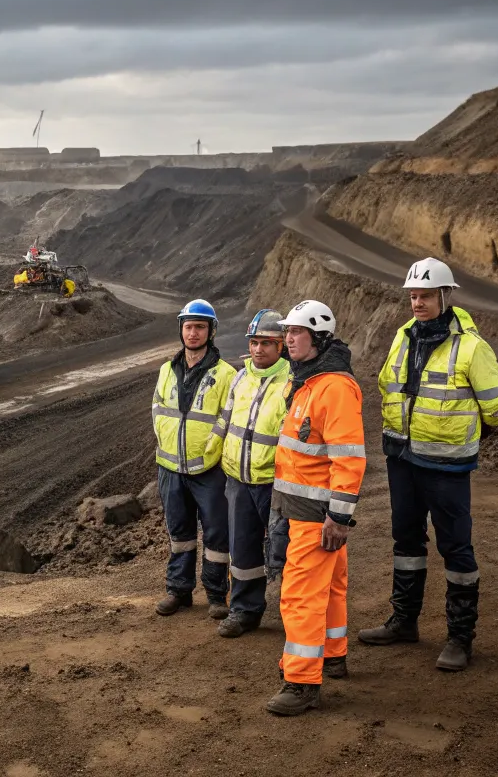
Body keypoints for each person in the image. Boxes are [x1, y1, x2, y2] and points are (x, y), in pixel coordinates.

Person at [358, 257, 498, 671]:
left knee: (455, 547)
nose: (417, 303)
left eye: (424, 296)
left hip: (445, 467)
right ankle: (404, 621)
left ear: (445, 296)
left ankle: (460, 637)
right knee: (406, 540)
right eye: (412, 296)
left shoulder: (472, 348)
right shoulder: (403, 337)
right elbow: (389, 385)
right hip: (402, 459)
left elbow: (497, 409)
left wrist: (459, 436)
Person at [266, 300, 366, 716]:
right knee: (332, 587)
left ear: (319, 338)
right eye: (286, 332)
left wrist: (339, 517)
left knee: (299, 595)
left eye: (296, 332)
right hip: (306, 509)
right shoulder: (309, 381)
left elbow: (350, 457)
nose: (288, 339)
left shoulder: (333, 387)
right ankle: (333, 654)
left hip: (317, 515)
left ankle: (302, 681)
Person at [152, 299, 238, 619]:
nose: (192, 332)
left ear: (211, 331)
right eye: (188, 326)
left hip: (209, 469)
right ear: (181, 329)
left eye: (199, 327)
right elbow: (158, 411)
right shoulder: (166, 370)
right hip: (171, 467)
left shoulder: (226, 374)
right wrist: (165, 446)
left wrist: (211, 453)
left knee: (216, 534)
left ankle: (216, 595)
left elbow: (227, 420)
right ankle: (179, 591)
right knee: (180, 534)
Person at [215, 309, 291, 637]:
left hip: (274, 482)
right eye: (255, 342)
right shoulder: (240, 377)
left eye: (267, 343)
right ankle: (245, 610)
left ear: (281, 346)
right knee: (243, 548)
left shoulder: (292, 381)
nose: (258, 349)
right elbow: (226, 422)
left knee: (285, 550)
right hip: (238, 478)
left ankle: (297, 616)